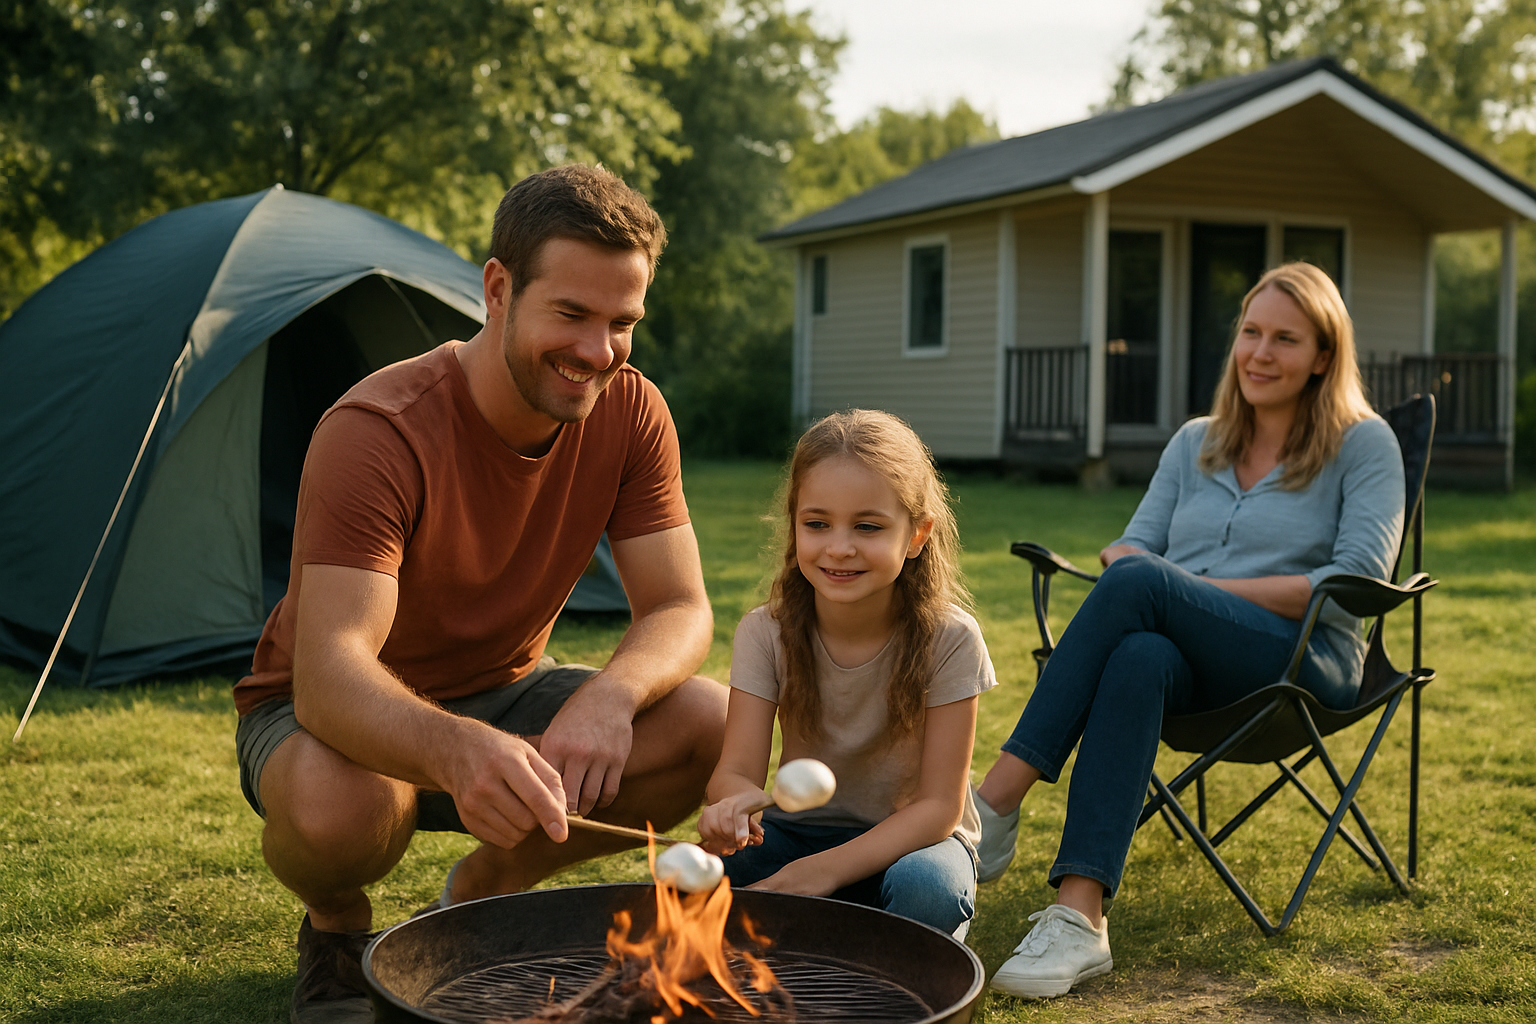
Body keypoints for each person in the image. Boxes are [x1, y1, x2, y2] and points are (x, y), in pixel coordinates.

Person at [231, 165, 727, 1023]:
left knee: (706, 723)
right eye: (571, 314)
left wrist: (610, 698)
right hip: (328, 713)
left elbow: (680, 607)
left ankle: (480, 895)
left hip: (508, 689)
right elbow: (331, 668)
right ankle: (339, 927)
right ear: (498, 289)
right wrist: (459, 752)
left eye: (623, 323)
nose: (597, 351)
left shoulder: (634, 411)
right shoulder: (377, 430)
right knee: (341, 808)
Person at [976, 262, 1405, 999]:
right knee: (1139, 653)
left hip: (1304, 662)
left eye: (1286, 339)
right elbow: (1127, 547)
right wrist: (1158, 584)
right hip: (1185, 656)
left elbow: (1356, 582)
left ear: (1324, 357)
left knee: (1143, 587)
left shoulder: (1363, 444)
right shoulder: (1195, 443)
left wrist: (1189, 589)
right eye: (1250, 333)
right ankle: (1079, 919)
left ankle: (994, 802)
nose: (1260, 354)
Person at [697, 409, 996, 939]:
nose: (839, 546)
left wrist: (822, 873)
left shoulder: (951, 639)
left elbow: (938, 808)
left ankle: (848, 919)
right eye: (817, 524)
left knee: (927, 891)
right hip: (798, 833)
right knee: (700, 878)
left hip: (914, 844)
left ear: (917, 534)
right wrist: (732, 805)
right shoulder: (764, 633)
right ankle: (843, 926)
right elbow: (735, 770)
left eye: (868, 526)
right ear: (794, 524)